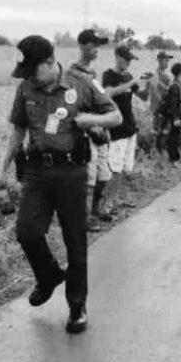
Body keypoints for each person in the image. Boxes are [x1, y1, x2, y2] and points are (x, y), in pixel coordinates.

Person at [0, 35, 122, 335]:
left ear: (50, 63)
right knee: (26, 232)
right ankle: (49, 276)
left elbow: (114, 115)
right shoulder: (25, 88)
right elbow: (17, 130)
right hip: (37, 171)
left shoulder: (82, 83)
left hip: (71, 172)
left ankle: (77, 307)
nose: (27, 79)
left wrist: (88, 120)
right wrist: (1, 171)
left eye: (31, 71)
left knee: (75, 242)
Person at [67, 29, 114, 228]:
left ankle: (97, 208)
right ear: (81, 45)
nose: (96, 49)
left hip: (98, 130)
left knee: (104, 174)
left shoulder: (92, 74)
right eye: (93, 44)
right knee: (89, 178)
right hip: (83, 133)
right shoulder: (72, 75)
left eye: (98, 45)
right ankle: (83, 218)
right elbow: (70, 107)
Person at [101, 44, 150, 212]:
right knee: (114, 168)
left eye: (130, 60)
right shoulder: (109, 75)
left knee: (123, 168)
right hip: (116, 128)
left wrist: (147, 83)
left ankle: (115, 199)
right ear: (118, 57)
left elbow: (143, 96)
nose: (129, 63)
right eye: (127, 59)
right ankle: (108, 203)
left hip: (129, 126)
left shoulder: (128, 75)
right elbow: (107, 93)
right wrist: (130, 83)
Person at [158, 62, 181, 164]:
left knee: (176, 136)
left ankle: (177, 157)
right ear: (180, 74)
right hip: (173, 115)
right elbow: (173, 104)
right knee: (173, 137)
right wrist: (176, 118)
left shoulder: (179, 84)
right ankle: (174, 159)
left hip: (178, 114)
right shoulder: (174, 86)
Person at [148, 50, 174, 153]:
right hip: (159, 106)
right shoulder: (157, 74)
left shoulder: (164, 73)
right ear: (159, 61)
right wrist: (162, 103)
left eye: (168, 60)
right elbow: (155, 91)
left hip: (164, 105)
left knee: (164, 129)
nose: (167, 62)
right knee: (157, 130)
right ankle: (155, 151)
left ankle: (160, 150)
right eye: (165, 60)